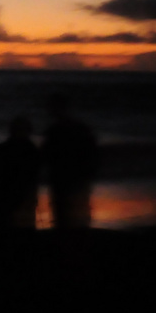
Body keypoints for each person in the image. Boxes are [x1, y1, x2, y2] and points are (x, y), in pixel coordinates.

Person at [42, 94, 99, 235]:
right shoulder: (81, 129)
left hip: (63, 177)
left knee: (63, 215)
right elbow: (92, 152)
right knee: (78, 215)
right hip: (77, 176)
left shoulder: (54, 131)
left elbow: (46, 155)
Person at [0, 116, 42, 238]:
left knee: (10, 228)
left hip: (11, 192)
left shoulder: (6, 149)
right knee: (21, 229)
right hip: (19, 192)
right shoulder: (31, 150)